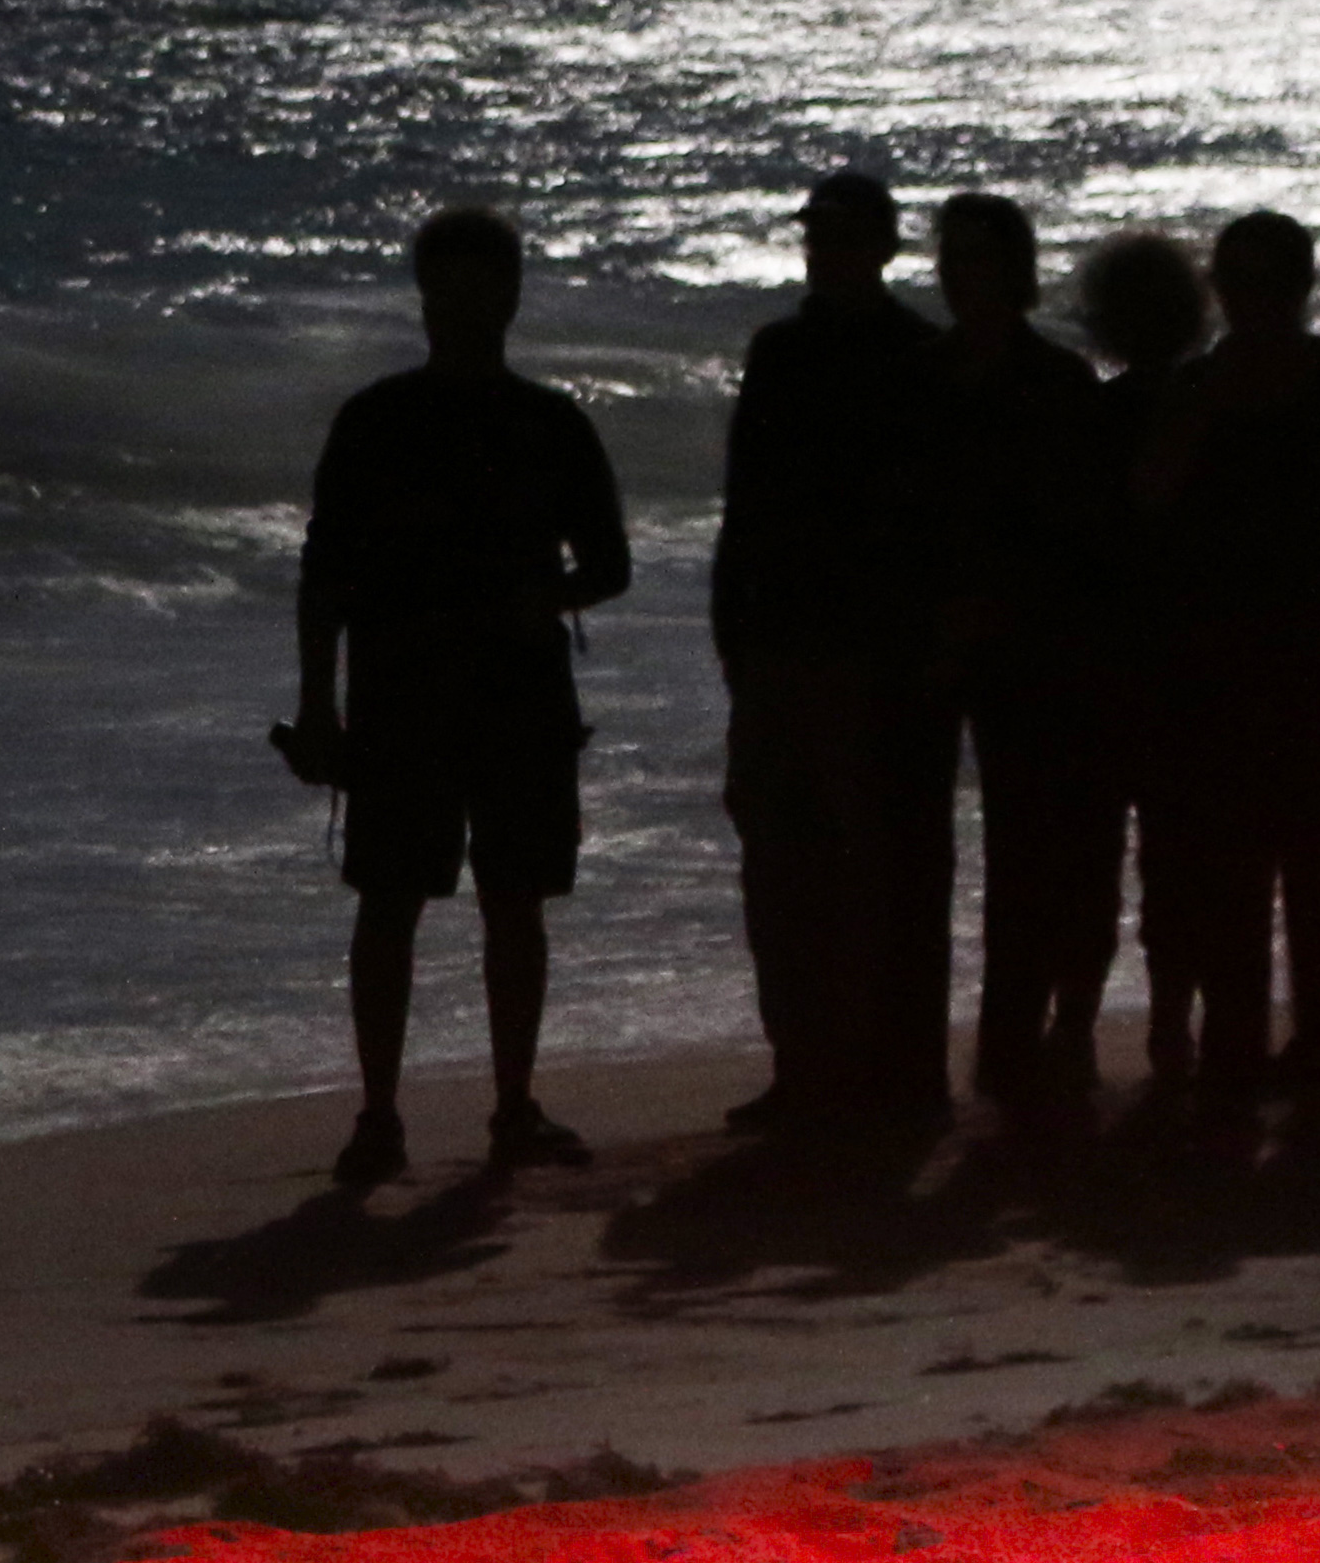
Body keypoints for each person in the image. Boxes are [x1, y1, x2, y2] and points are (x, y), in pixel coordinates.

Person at [288, 204, 631, 1187]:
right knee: (390, 904)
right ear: (426, 296)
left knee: (513, 903)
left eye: (487, 288)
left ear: (513, 298)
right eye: (453, 289)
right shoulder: (375, 420)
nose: (469, 308)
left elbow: (610, 564)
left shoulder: (550, 422)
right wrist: (318, 705)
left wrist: (547, 595)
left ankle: (512, 1105)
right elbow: (322, 575)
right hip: (401, 696)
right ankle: (380, 1113)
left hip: (517, 692)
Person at [710, 171, 957, 1126]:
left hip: (870, 651)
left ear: (883, 248)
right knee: (782, 864)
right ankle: (806, 1065)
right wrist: (731, 623)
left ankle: (887, 1071)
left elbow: (928, 517)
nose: (826, 248)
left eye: (844, 234)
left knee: (867, 867)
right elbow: (746, 500)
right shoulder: (784, 349)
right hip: (782, 641)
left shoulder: (914, 356)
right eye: (817, 232)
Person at [1134, 211, 1320, 1101]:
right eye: (1235, 282)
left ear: (1299, 285)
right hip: (1224, 680)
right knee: (1235, 894)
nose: (1249, 300)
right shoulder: (1198, 391)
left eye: (1264, 281)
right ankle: (1237, 1061)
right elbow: (1151, 508)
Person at [926, 194, 1123, 1110]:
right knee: (953, 857)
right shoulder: (921, 377)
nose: (962, 274)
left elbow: (1081, 529)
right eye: (951, 257)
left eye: (979, 258)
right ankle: (995, 1045)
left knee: (1044, 848)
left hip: (1043, 642)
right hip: (941, 639)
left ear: (1014, 269)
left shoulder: (1057, 379)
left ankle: (1053, 1029)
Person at [1076, 231, 1212, 1087]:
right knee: (1176, 860)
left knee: (1092, 859)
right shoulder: (1210, 409)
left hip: (1109, 660)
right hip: (1189, 662)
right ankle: (1169, 1026)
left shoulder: (1097, 415)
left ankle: (1075, 1026)